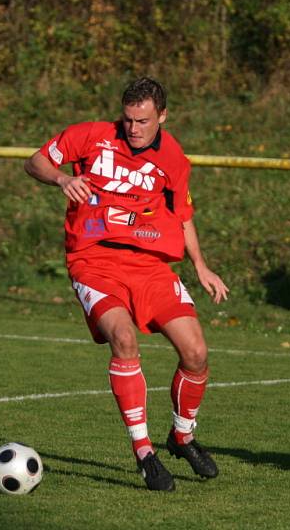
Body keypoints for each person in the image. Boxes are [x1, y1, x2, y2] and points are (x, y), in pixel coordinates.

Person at [25, 77, 229, 491]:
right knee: (124, 339)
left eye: (143, 120)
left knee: (196, 352)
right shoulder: (91, 136)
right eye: (129, 118)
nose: (133, 128)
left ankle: (181, 437)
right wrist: (62, 180)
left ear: (163, 117)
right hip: (94, 261)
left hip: (150, 267)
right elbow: (36, 161)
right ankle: (144, 453)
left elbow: (183, 216)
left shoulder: (172, 158)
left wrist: (202, 266)